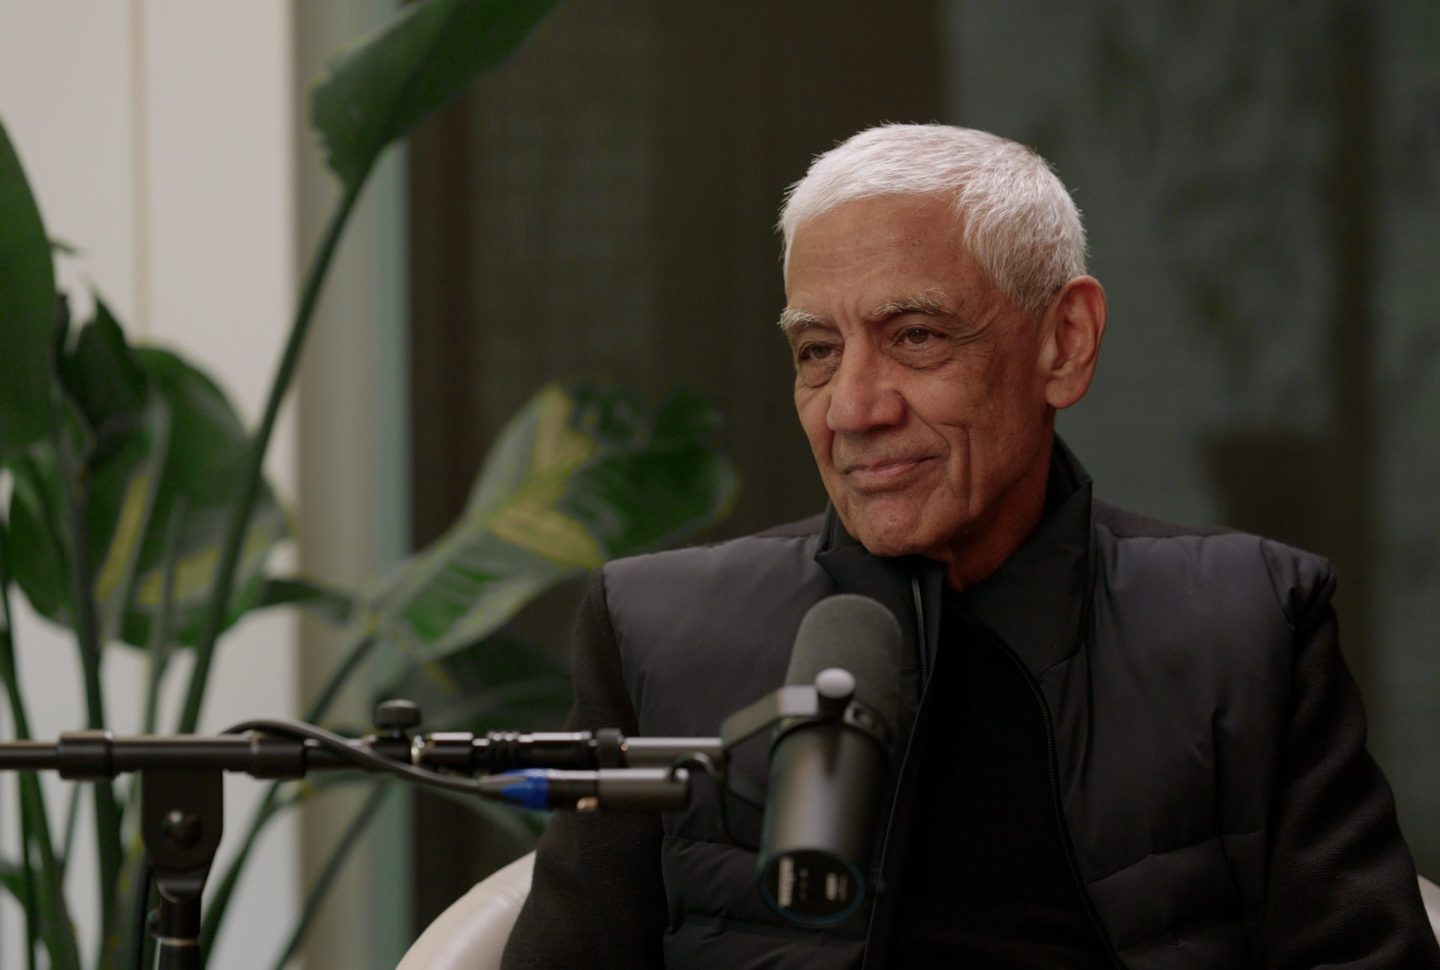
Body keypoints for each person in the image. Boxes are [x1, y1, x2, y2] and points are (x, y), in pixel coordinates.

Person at [501, 124, 1440, 969]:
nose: (854, 410)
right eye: (817, 351)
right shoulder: (654, 628)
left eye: (915, 337)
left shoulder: (1249, 621)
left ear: (1064, 344)